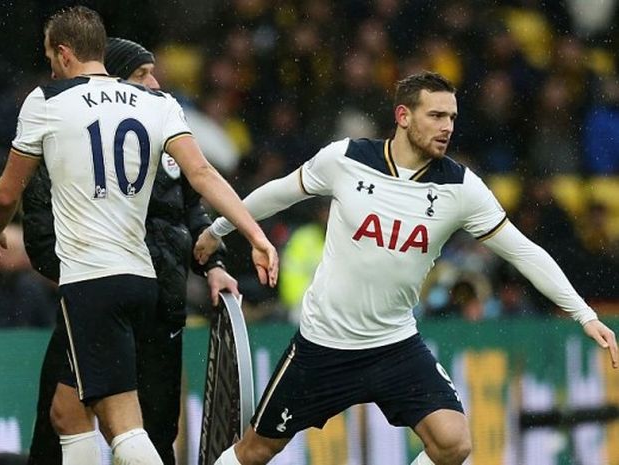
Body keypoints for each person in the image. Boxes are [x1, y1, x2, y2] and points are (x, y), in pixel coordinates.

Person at [194, 71, 618, 465]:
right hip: (324, 344)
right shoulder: (347, 159)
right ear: (403, 116)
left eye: (452, 116)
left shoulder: (461, 187)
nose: (447, 126)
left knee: (454, 443)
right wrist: (219, 229)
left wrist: (583, 313)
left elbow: (523, 252)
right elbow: (279, 194)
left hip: (394, 345)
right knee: (255, 450)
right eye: (435, 115)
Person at [0, 6, 278, 465]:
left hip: (90, 281)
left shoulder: (48, 100)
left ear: (61, 53)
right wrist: (255, 235)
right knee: (67, 412)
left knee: (124, 427)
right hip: (143, 281)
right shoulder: (160, 105)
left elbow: (5, 193)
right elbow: (201, 174)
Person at [24, 36, 238, 465]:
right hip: (94, 301)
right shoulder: (69, 144)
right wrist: (80, 275)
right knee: (62, 422)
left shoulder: (166, 138)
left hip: (155, 309)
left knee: (152, 428)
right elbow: (40, 233)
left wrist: (213, 263)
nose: (156, 83)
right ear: (116, 85)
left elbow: (190, 213)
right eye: (142, 75)